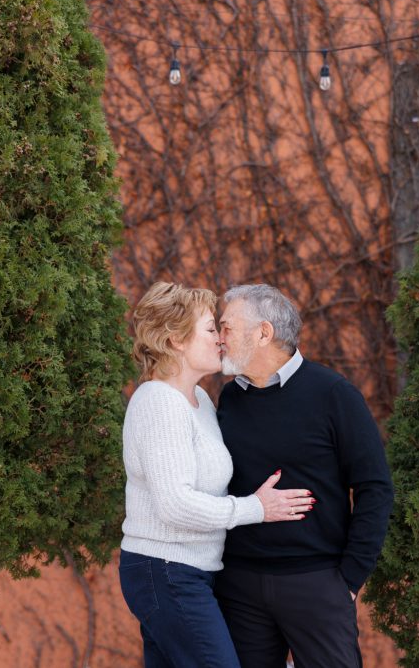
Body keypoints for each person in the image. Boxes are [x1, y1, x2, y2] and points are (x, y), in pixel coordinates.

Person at [120, 281, 316, 668]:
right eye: (211, 329)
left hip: (193, 571)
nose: (220, 340)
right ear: (176, 339)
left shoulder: (202, 402)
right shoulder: (159, 403)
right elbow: (175, 505)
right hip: (165, 571)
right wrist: (256, 509)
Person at [214, 284, 394, 668]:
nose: (219, 337)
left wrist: (348, 580)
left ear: (264, 332)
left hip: (316, 582)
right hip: (240, 584)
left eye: (226, 327)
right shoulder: (229, 397)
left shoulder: (334, 394)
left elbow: (374, 487)